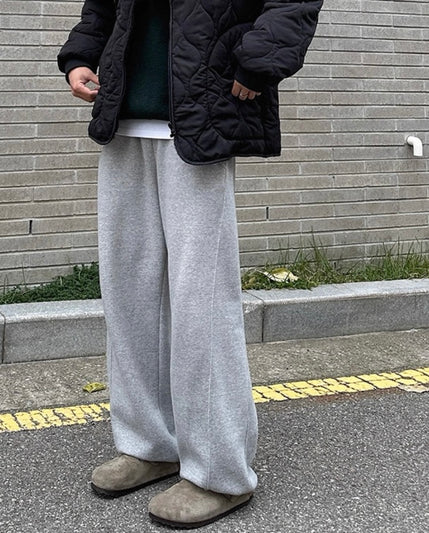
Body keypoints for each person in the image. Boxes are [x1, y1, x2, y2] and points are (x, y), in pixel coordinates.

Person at [58, 0, 322, 528]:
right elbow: (103, 6)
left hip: (200, 110)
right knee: (128, 296)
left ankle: (219, 473)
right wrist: (81, 55)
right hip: (125, 113)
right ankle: (149, 444)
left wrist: (256, 61)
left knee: (201, 301)